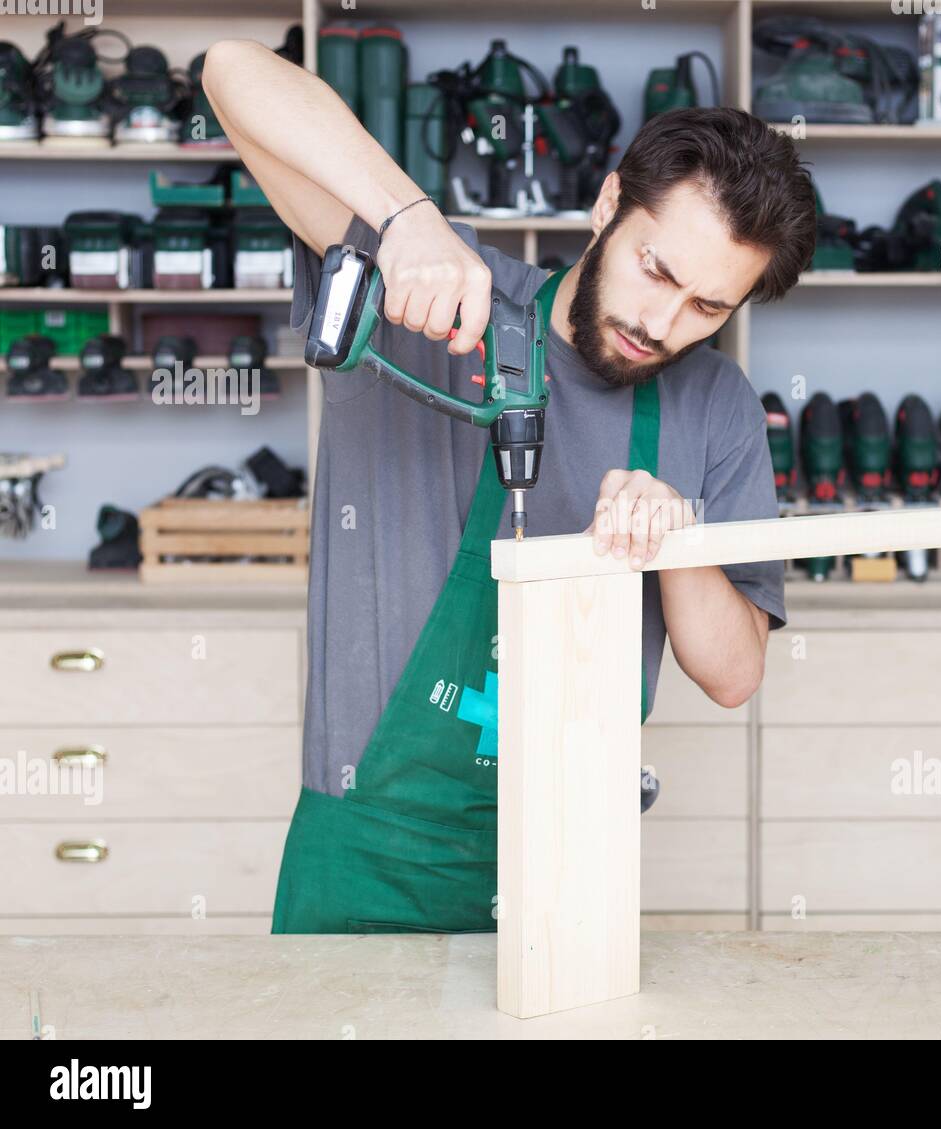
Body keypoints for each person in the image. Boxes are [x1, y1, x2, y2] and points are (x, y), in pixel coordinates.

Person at [202, 38, 818, 933]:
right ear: (610, 203)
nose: (661, 322)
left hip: (569, 862)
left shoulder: (715, 404)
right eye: (657, 271)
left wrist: (676, 541)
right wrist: (409, 221)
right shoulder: (435, 294)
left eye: (709, 308)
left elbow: (732, 674)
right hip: (368, 854)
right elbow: (230, 71)